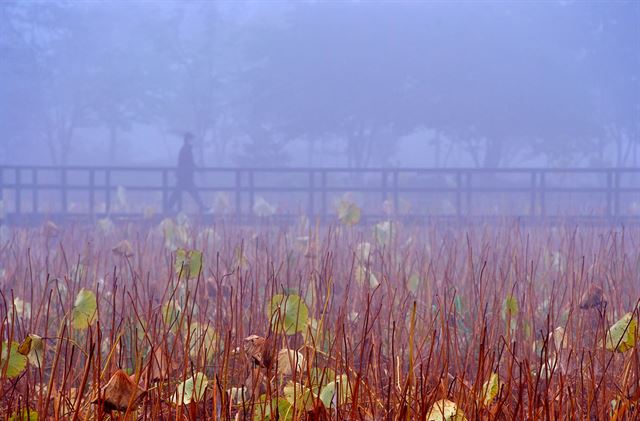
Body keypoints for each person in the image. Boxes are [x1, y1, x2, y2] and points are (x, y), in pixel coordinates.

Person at [166, 133, 208, 213]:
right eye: (192, 139)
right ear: (188, 140)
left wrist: (196, 169)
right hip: (186, 177)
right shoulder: (186, 149)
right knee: (191, 192)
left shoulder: (185, 149)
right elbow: (188, 163)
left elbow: (187, 163)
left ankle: (168, 207)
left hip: (184, 176)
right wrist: (197, 169)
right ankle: (202, 207)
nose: (193, 141)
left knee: (178, 192)